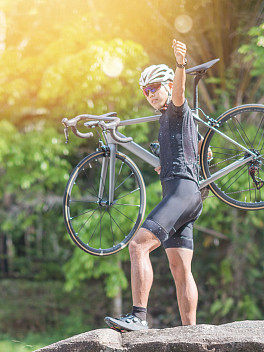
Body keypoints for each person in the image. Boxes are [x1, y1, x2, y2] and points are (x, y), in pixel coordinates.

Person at [105, 39, 204, 333]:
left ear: (169, 85)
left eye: (155, 88)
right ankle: (191, 331)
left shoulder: (176, 108)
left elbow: (181, 91)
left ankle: (138, 317)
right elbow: (194, 147)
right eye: (145, 91)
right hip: (187, 196)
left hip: (181, 193)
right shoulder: (168, 121)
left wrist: (181, 64)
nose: (150, 94)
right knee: (180, 267)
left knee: (137, 245)